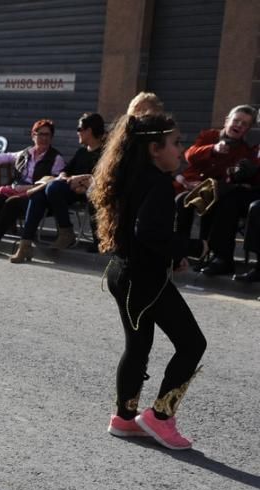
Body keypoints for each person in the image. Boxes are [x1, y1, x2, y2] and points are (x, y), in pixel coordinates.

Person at [89, 113, 206, 450]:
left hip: (123, 273)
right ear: (155, 149)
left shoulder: (132, 175)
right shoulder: (156, 182)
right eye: (177, 143)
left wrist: (172, 255)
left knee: (138, 346)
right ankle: (160, 416)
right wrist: (194, 246)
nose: (181, 150)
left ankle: (125, 418)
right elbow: (150, 232)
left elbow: (142, 236)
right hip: (143, 280)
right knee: (192, 344)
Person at [12, 112, 106, 262]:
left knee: (53, 188)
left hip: (88, 192)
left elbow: (102, 178)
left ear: (89, 131)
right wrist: (65, 177)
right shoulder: (82, 152)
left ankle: (66, 231)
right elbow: (66, 171)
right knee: (38, 195)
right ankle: (25, 244)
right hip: (69, 191)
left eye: (79, 129)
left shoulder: (105, 153)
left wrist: (79, 179)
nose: (77, 132)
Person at [177, 105, 258, 276]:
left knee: (215, 201)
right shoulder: (210, 136)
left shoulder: (245, 150)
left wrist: (240, 173)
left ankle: (208, 254)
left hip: (213, 190)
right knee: (182, 202)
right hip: (193, 185)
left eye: (244, 124)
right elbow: (189, 155)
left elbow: (238, 176)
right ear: (227, 121)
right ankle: (178, 251)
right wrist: (212, 149)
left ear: (248, 130)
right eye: (236, 121)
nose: (238, 125)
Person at [0, 119, 65, 256]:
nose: (44, 138)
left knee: (11, 203)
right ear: (33, 135)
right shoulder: (26, 153)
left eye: (48, 135)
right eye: (40, 134)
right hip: (17, 190)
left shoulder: (56, 158)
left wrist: (28, 188)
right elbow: (6, 156)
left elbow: (54, 182)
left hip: (37, 196)